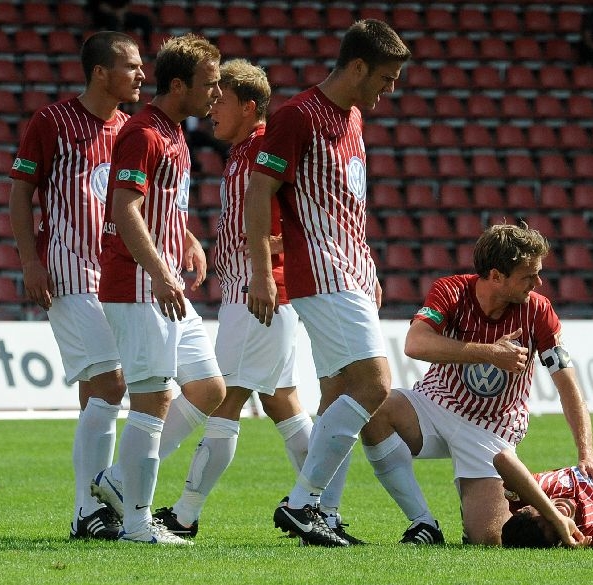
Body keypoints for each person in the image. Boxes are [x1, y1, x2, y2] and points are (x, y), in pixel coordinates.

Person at [149, 59, 356, 545]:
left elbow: (303, 217)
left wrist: (269, 255)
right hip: (253, 297)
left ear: (248, 106)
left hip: (260, 297)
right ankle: (323, 511)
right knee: (284, 404)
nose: (211, 109)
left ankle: (181, 513)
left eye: (220, 101)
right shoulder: (242, 151)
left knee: (222, 398)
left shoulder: (264, 148)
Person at [243, 19, 411, 547]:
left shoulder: (354, 117)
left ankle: (323, 514)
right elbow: (258, 194)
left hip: (351, 271)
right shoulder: (297, 116)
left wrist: (370, 265)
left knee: (339, 391)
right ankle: (301, 502)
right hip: (320, 272)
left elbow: (349, 205)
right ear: (357, 66)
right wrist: (257, 271)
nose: (390, 91)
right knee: (375, 385)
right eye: (385, 78)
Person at [354, 222, 593, 546]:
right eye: (528, 276)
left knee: (490, 538)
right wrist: (490, 353)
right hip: (436, 405)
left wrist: (586, 453)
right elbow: (415, 344)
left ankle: (513, 492)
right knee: (373, 405)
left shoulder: (538, 311)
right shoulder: (451, 291)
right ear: (496, 276)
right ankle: (423, 521)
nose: (538, 283)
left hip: (492, 429)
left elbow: (567, 384)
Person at [8, 32, 144, 541]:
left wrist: (189, 239)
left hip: (114, 274)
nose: (140, 75)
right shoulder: (52, 122)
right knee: (112, 384)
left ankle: (89, 510)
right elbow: (21, 192)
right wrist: (28, 258)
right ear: (100, 72)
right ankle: (88, 504)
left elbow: (141, 201)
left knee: (99, 391)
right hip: (66, 270)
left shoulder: (131, 129)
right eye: (130, 66)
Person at [91, 33, 225, 545]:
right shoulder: (144, 133)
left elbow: (156, 205)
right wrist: (163, 272)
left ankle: (119, 483)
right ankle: (136, 525)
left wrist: (186, 238)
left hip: (165, 285)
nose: (216, 94)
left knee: (209, 389)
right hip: (142, 286)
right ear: (178, 84)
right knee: (152, 402)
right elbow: (123, 207)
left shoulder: (172, 132)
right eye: (209, 85)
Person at [87, 1, 154, 46]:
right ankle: (115, 44)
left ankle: (146, 44)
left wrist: (121, 12)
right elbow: (100, 6)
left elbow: (126, 5)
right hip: (103, 16)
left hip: (121, 14)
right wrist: (114, 12)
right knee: (112, 20)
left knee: (145, 20)